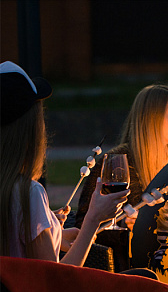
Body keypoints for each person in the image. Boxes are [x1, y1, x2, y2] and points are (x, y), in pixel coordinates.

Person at [0, 61, 129, 266]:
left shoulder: (13, 194)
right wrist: (92, 220)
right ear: (30, 130)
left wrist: (53, 231)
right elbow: (55, 281)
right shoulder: (27, 194)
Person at [75, 84, 168, 272]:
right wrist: (122, 227)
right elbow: (82, 227)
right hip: (127, 272)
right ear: (151, 117)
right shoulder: (118, 162)